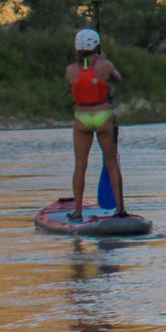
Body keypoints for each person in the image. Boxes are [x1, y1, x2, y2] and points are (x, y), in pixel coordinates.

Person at [65, 28, 127, 220]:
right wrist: (103, 60)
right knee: (112, 164)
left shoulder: (70, 70)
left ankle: (77, 212)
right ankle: (120, 209)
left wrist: (89, 64)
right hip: (103, 116)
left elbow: (77, 81)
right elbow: (118, 79)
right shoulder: (105, 65)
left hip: (82, 118)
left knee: (80, 165)